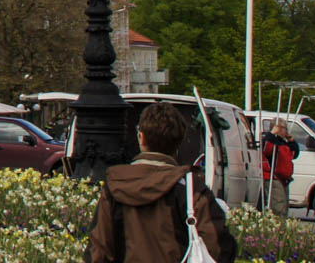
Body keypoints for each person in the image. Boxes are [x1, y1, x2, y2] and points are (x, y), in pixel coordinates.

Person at [87, 103, 238, 263]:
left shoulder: (115, 186)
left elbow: (98, 251)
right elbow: (219, 247)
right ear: (179, 142)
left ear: (141, 137)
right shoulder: (190, 189)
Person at [259, 118, 300, 217]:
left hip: (284, 179)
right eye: (285, 128)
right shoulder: (270, 141)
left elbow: (294, 154)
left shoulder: (283, 143)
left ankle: (282, 228)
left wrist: (292, 142)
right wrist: (272, 134)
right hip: (274, 177)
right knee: (278, 206)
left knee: (284, 206)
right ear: (278, 128)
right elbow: (265, 149)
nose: (287, 131)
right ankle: (277, 229)